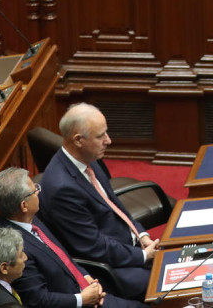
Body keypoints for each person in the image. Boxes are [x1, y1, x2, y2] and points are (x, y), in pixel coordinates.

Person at [38, 105, 158, 301]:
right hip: (111, 267)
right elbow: (93, 246)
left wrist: (141, 234)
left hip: (128, 247)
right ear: (78, 140)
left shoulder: (88, 159)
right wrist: (143, 256)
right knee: (170, 280)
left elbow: (114, 204)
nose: (108, 141)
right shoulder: (62, 188)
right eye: (100, 136)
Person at [0, 166, 132, 308]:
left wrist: (85, 277)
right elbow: (38, 300)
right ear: (24, 205)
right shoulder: (15, 249)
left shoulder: (26, 217)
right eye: (35, 190)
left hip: (85, 286)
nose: (39, 192)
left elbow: (60, 254)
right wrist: (82, 299)